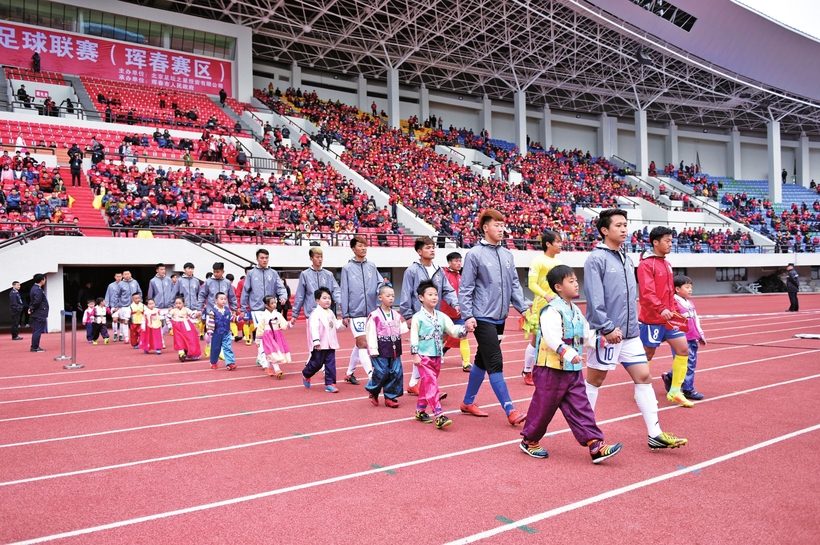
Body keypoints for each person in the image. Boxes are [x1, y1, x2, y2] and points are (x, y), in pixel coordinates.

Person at [583, 209, 687, 450]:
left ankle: (655, 434)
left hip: (630, 334)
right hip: (608, 334)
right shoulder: (596, 259)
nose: (624, 229)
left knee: (644, 377)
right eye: (618, 225)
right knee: (595, 381)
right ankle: (587, 431)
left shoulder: (626, 258)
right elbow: (594, 299)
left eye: (625, 225)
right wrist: (607, 328)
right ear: (604, 230)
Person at [520, 265, 623, 463]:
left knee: (581, 406)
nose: (576, 284)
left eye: (576, 280)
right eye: (571, 281)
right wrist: (568, 353)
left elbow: (585, 335)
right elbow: (551, 338)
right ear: (558, 287)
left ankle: (595, 444)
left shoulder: (575, 310)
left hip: (572, 370)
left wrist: (606, 339)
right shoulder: (550, 311)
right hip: (551, 369)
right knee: (544, 407)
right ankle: (529, 440)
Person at [458, 209, 528, 426]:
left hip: (500, 317)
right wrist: (467, 315)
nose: (501, 229)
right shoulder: (474, 254)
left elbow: (515, 284)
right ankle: (510, 409)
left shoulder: (507, 255)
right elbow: (466, 288)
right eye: (496, 225)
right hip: (482, 317)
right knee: (495, 360)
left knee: (482, 359)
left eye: (502, 224)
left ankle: (467, 402)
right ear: (485, 227)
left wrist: (523, 309)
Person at [637, 226, 693, 408]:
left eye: (671, 240)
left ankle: (675, 391)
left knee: (683, 349)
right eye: (667, 241)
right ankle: (641, 391)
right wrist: (661, 309)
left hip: (669, 319)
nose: (671, 244)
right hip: (652, 319)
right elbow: (646, 292)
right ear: (655, 242)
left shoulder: (667, 264)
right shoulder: (646, 264)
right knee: (647, 354)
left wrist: (677, 310)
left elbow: (669, 293)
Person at [400, 236, 460, 394]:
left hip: (434, 317)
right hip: (419, 317)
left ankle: (414, 383)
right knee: (424, 352)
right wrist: (407, 315)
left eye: (433, 247)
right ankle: (430, 387)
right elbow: (406, 294)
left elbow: (447, 290)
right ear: (419, 252)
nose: (432, 250)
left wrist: (456, 304)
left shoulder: (438, 270)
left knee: (428, 351)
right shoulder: (412, 271)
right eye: (427, 247)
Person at [411, 280, 468, 429]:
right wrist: (415, 354)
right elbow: (414, 337)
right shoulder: (417, 317)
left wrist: (464, 330)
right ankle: (439, 415)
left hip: (437, 356)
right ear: (421, 298)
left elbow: (452, 330)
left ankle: (420, 410)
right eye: (430, 294)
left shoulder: (442, 316)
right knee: (432, 385)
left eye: (436, 294)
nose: (434, 297)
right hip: (424, 356)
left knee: (426, 384)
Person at [340, 235, 388, 384]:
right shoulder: (347, 268)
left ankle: (349, 373)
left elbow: (380, 282)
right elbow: (344, 291)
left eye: (365, 246)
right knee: (363, 342)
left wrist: (385, 287)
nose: (363, 248)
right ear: (353, 249)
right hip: (355, 313)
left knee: (360, 343)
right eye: (360, 246)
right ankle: (371, 376)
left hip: (371, 312)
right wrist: (345, 313)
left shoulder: (371, 266)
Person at [522, 230, 563, 386]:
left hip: (558, 306)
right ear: (548, 244)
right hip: (542, 306)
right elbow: (532, 284)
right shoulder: (537, 261)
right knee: (537, 339)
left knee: (555, 338)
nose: (560, 245)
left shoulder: (560, 263)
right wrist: (546, 295)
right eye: (558, 241)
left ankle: (549, 370)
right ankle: (527, 370)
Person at [660, 275, 707, 401]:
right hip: (680, 338)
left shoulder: (690, 303)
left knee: (690, 362)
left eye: (691, 287)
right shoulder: (673, 302)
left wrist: (701, 334)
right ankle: (688, 389)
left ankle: (670, 376)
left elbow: (696, 319)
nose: (690, 290)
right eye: (687, 287)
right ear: (677, 289)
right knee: (687, 363)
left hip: (692, 336)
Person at [241, 249, 288, 365]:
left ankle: (260, 356)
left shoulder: (273, 273)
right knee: (262, 333)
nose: (264, 260)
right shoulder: (251, 274)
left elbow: (281, 287)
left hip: (271, 309)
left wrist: (283, 296)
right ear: (257, 259)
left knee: (271, 333)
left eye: (266, 258)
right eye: (262, 258)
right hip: (257, 308)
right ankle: (264, 360)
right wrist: (242, 308)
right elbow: (245, 291)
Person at [364, 285, 408, 408]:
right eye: (388, 296)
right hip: (380, 349)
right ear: (380, 297)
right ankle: (373, 390)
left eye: (393, 296)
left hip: (395, 349)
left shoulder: (396, 314)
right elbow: (371, 333)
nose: (391, 298)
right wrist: (373, 349)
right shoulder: (374, 316)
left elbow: (401, 329)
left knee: (396, 372)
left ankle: (390, 396)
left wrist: (411, 324)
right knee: (382, 372)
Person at [302, 287, 346, 393]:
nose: (327, 300)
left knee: (330, 364)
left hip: (330, 344)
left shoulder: (330, 312)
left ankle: (330, 383)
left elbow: (335, 325)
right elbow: (314, 328)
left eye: (329, 298)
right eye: (324, 298)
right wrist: (316, 341)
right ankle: (306, 373)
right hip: (320, 344)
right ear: (317, 300)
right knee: (316, 363)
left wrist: (343, 324)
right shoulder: (315, 314)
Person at [291, 247, 341, 329]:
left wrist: (341, 303)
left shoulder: (329, 275)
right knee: (314, 340)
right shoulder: (305, 275)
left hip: (327, 313)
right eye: (317, 257)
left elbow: (336, 290)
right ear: (311, 258)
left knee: (328, 340)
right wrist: (295, 314)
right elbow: (300, 295)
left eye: (321, 257)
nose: (320, 259)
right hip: (312, 314)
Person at [199, 262, 238, 358]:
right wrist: (199, 308)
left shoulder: (227, 283)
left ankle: (221, 352)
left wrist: (234, 308)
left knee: (223, 333)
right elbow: (202, 295)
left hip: (224, 313)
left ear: (223, 272)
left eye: (218, 272)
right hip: (211, 312)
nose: (216, 274)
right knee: (210, 333)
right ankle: (208, 345)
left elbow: (232, 297)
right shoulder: (208, 282)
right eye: (214, 272)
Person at [441, 252, 471, 372]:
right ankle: (439, 354)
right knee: (442, 337)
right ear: (449, 262)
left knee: (463, 336)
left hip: (459, 314)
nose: (459, 263)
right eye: (456, 261)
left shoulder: (461, 277)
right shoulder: (443, 275)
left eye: (460, 261)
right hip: (444, 314)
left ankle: (466, 363)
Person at [258, 295, 293, 378]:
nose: (274, 304)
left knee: (274, 352)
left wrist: (290, 323)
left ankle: (268, 367)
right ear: (266, 305)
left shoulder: (278, 314)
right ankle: (277, 370)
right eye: (272, 303)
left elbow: (284, 325)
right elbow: (260, 328)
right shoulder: (263, 315)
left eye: (275, 302)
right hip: (267, 336)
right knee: (273, 352)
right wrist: (258, 340)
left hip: (277, 335)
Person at [206, 292, 236, 370]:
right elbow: (211, 322)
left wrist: (239, 318)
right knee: (215, 348)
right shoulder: (213, 311)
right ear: (216, 300)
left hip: (226, 332)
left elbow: (231, 318)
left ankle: (230, 363)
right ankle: (213, 362)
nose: (223, 301)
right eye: (221, 299)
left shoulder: (227, 310)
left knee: (228, 347)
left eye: (225, 299)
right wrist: (210, 331)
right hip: (217, 333)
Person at [169, 296, 202, 362]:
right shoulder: (172, 311)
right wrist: (170, 325)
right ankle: (181, 353)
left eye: (179, 303)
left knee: (190, 339)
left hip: (187, 326)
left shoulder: (187, 309)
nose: (178, 305)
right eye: (176, 303)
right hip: (177, 327)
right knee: (179, 340)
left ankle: (190, 352)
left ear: (183, 303)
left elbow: (192, 315)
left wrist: (196, 314)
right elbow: (168, 317)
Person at [147, 263, 175, 334]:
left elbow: (173, 292)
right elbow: (150, 294)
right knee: (157, 324)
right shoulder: (152, 281)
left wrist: (172, 304)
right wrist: (150, 305)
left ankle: (161, 335)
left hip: (169, 306)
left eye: (164, 269)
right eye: (161, 269)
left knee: (169, 323)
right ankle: (160, 340)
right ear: (157, 270)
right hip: (157, 306)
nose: (163, 271)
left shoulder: (169, 280)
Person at [117, 270, 142, 344]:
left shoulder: (135, 282)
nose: (127, 275)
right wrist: (118, 304)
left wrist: (140, 301)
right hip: (125, 305)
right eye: (125, 274)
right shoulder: (120, 284)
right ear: (123, 276)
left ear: (130, 274)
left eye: (128, 274)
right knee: (125, 321)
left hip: (135, 305)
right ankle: (126, 337)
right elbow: (117, 295)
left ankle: (138, 337)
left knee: (137, 321)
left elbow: (139, 292)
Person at [29, 273, 48, 352]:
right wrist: (32, 308)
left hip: (37, 312)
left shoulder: (35, 288)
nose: (45, 280)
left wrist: (31, 308)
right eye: (44, 279)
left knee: (36, 330)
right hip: (39, 312)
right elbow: (37, 301)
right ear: (41, 280)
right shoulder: (37, 289)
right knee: (38, 330)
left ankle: (34, 346)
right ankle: (35, 347)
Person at [105, 273, 123, 342]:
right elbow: (107, 295)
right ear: (115, 277)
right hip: (113, 305)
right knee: (115, 319)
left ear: (122, 277)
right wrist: (107, 306)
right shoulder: (111, 285)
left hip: (122, 306)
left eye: (120, 276)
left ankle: (121, 335)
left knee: (122, 320)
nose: (119, 278)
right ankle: (115, 333)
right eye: (117, 276)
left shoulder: (124, 284)